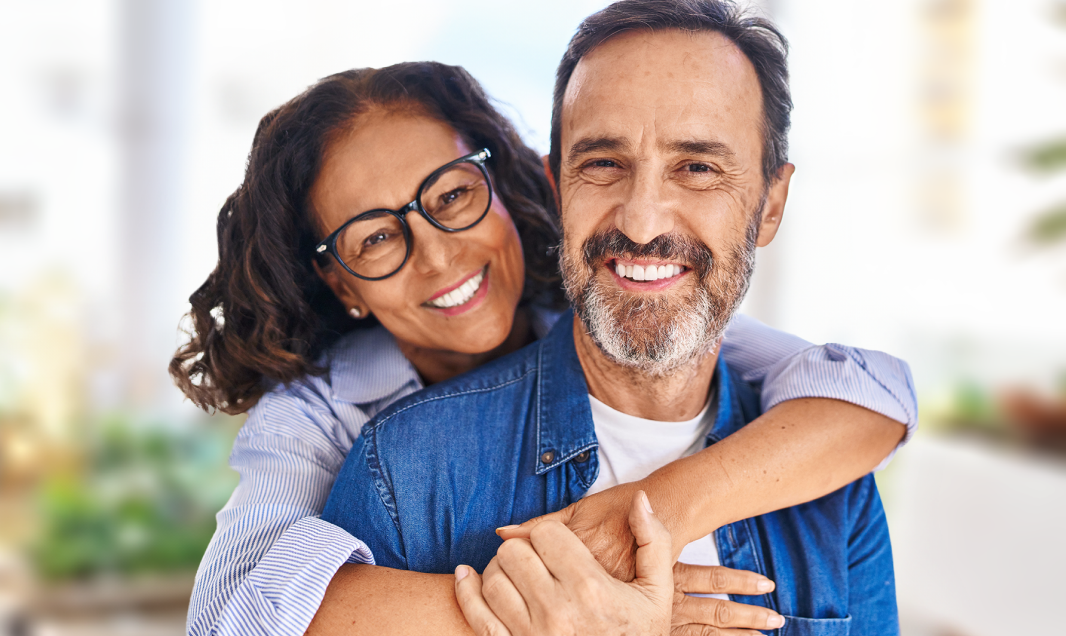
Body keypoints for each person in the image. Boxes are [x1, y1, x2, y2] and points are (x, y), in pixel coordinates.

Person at [174, 27, 913, 636]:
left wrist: (651, 510)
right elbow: (233, 615)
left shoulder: (621, 292)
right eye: (374, 238)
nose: (438, 254)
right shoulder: (357, 439)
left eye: (453, 196)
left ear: (509, 185)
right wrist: (558, 610)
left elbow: (862, 392)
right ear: (341, 282)